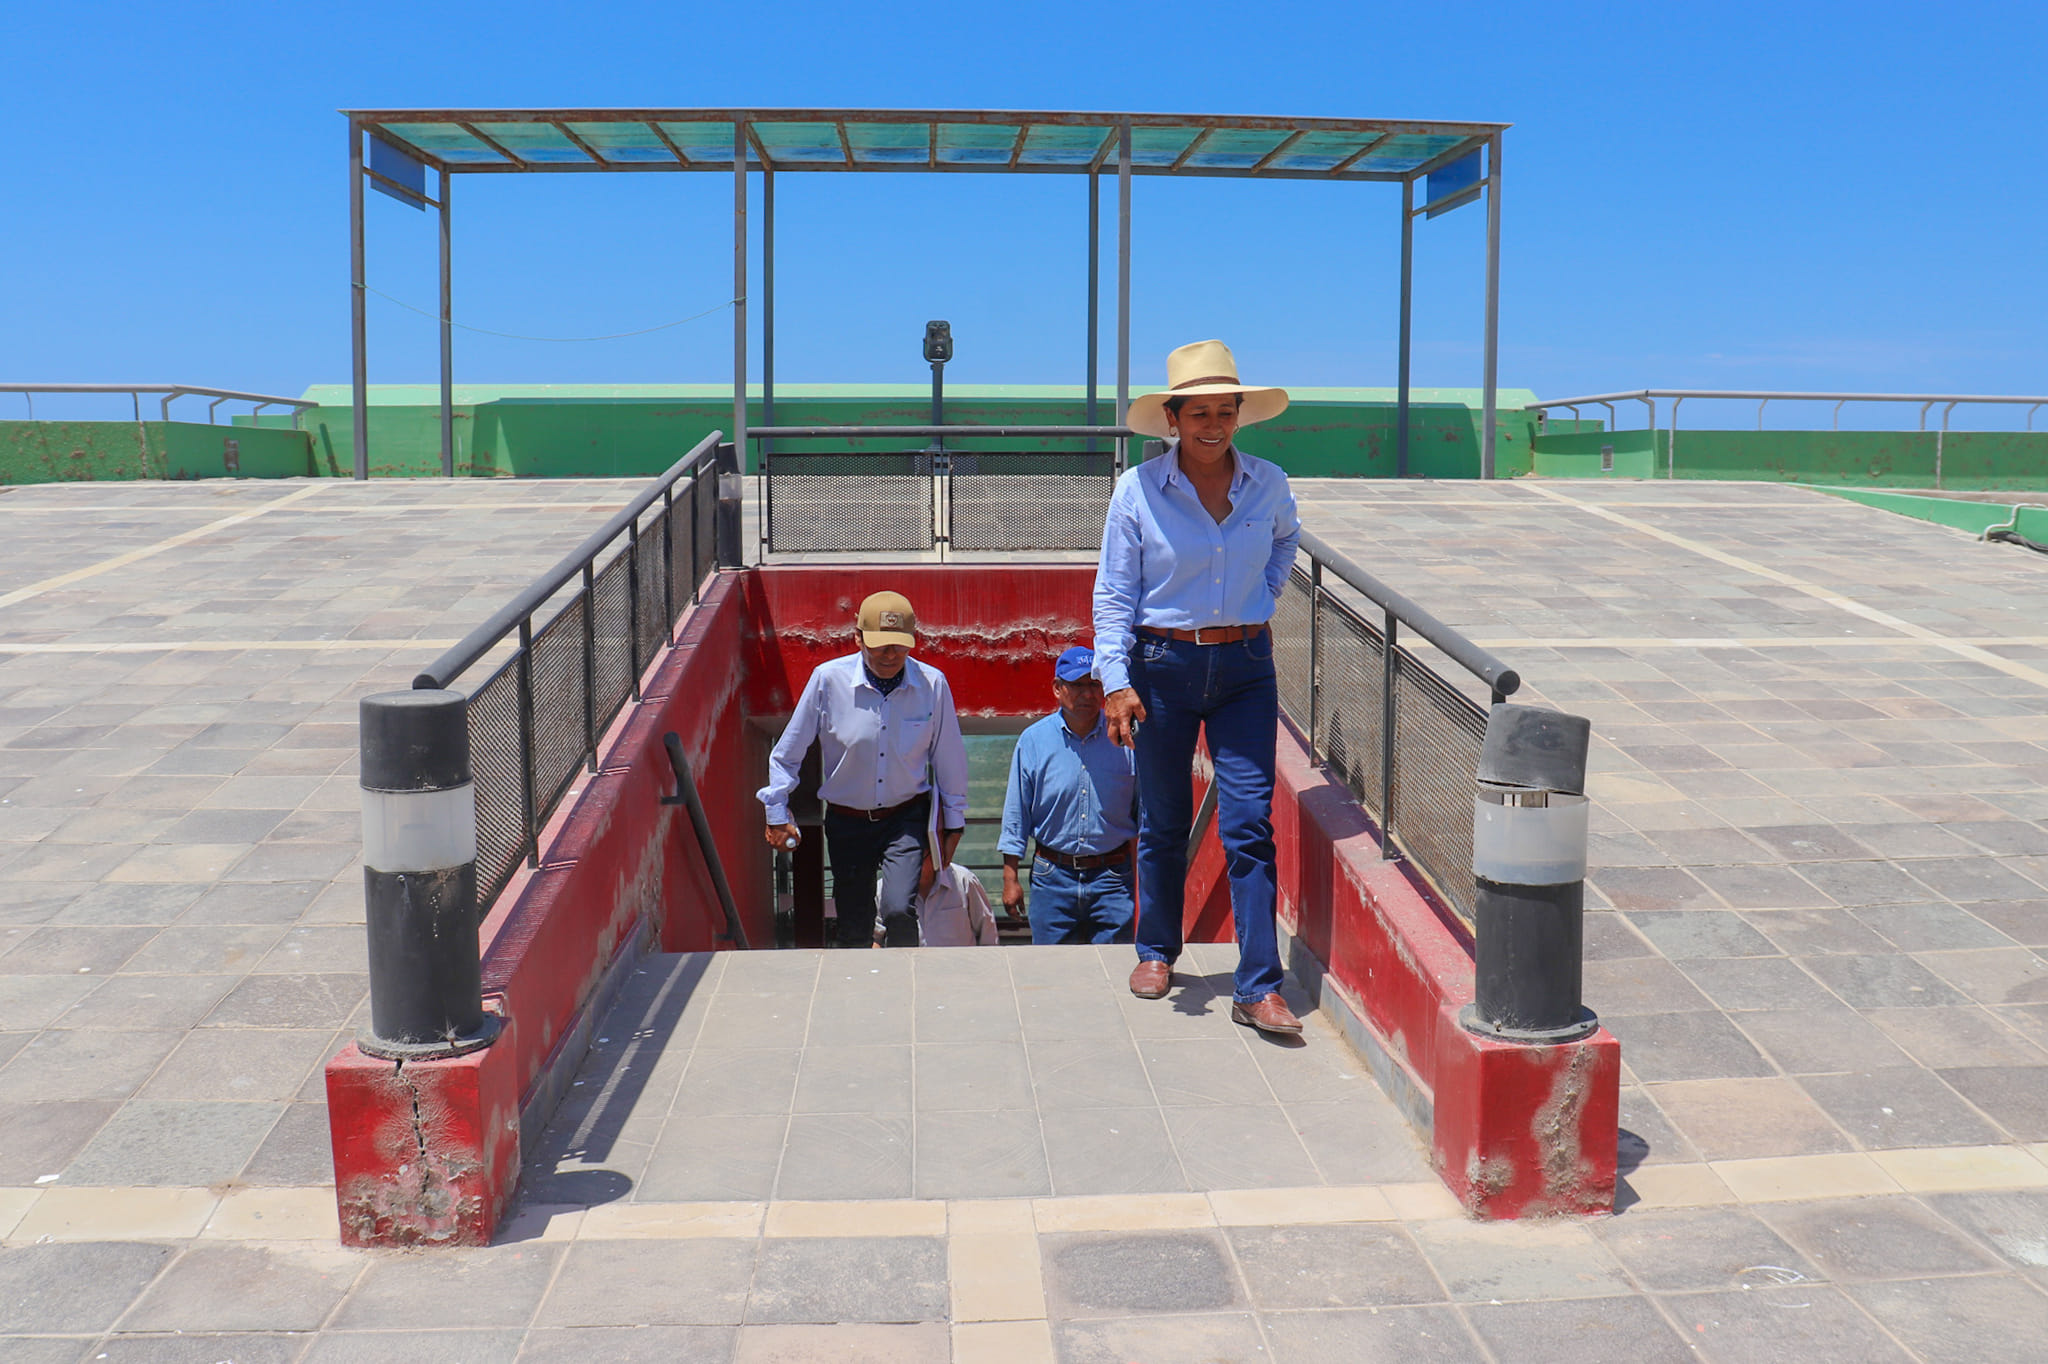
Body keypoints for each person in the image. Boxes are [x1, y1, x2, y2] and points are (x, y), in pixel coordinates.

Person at [1093, 339, 1305, 1036]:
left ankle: (1257, 986)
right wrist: (1116, 682)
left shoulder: (1268, 483)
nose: (1212, 425)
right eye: (1198, 413)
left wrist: (1264, 596)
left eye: (1224, 411)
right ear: (1173, 420)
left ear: (1239, 415)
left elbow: (1284, 541)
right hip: (1162, 670)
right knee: (1161, 820)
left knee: (1249, 824)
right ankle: (1156, 950)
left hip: (1246, 668)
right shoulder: (1138, 491)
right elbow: (1114, 596)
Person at [759, 590, 968, 948]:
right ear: (857, 638)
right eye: (880, 646)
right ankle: (859, 993)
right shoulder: (827, 681)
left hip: (905, 818)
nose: (891, 655)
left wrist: (954, 823)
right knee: (853, 925)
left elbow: (949, 758)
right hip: (847, 821)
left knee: (899, 909)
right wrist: (776, 811)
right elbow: (787, 754)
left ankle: (908, 984)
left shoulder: (933, 684)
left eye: (899, 646)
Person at [997, 645, 1139, 944]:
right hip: (1052, 878)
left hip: (1113, 878)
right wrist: (1010, 878)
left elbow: (1146, 811)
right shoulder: (1034, 741)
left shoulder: (1127, 739)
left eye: (1094, 684)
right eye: (1077, 685)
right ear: (1057, 689)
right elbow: (1016, 812)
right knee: (1054, 975)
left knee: (1113, 971)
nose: (1087, 694)